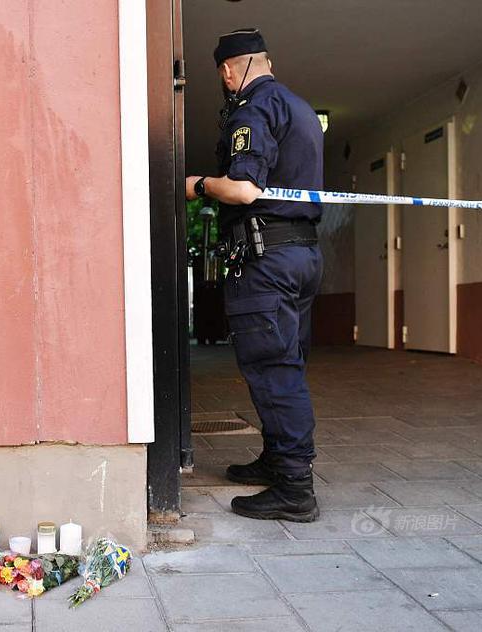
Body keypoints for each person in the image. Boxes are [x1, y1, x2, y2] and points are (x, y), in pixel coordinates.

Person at [185, 28, 324, 522]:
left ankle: (294, 488)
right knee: (287, 362)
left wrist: (198, 185)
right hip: (302, 256)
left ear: (228, 71)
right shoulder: (301, 108)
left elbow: (244, 190)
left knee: (273, 369)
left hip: (267, 261)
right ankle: (275, 461)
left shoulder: (253, 109)